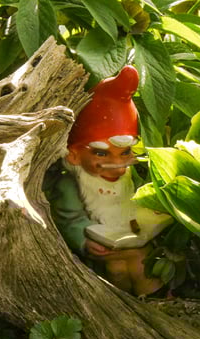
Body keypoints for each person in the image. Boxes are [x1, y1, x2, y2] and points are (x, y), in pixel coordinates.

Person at [45, 65, 164, 296]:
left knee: (131, 263)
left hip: (128, 236)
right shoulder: (70, 185)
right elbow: (69, 219)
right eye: (101, 153)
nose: (116, 164)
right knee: (129, 262)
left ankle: (146, 303)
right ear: (74, 155)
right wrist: (84, 240)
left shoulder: (128, 178)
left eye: (125, 153)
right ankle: (142, 300)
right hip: (96, 248)